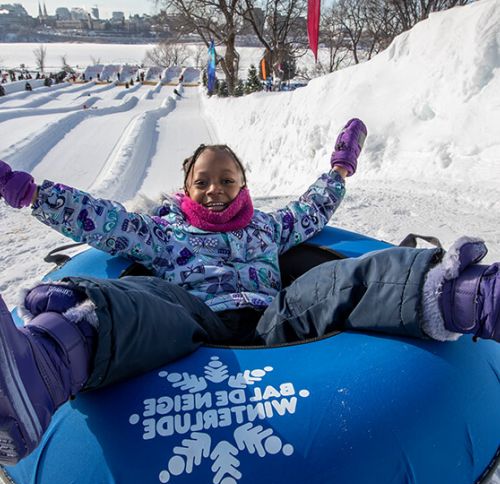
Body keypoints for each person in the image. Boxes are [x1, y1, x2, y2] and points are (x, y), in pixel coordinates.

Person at [0, 119, 498, 466]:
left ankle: (466, 296)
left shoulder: (267, 228)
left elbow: (312, 208)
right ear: (185, 189)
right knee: (152, 299)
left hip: (274, 320)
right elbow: (102, 219)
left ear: (244, 186)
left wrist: (340, 169)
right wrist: (33, 192)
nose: (215, 189)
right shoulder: (163, 233)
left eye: (227, 179)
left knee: (329, 281)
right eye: (202, 182)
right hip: (196, 325)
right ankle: (46, 363)